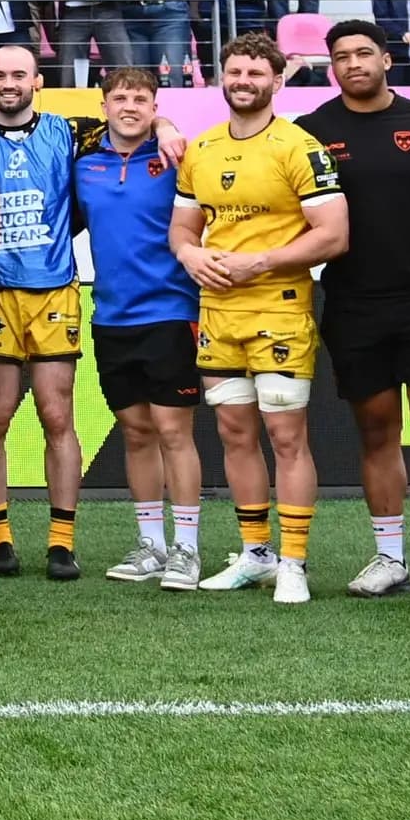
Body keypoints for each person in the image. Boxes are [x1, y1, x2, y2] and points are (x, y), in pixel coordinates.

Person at [302, 20, 410, 602]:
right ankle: (390, 557)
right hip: (352, 303)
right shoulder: (310, 132)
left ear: (385, 59)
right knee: (376, 432)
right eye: (341, 57)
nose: (353, 64)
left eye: (363, 54)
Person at [171, 33, 347, 605]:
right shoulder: (202, 148)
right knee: (233, 433)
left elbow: (334, 235)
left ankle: (294, 561)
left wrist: (261, 263)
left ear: (277, 80)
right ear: (221, 77)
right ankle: (255, 554)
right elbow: (182, 228)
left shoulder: (299, 146)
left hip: (279, 309)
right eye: (234, 71)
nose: (243, 80)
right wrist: (192, 255)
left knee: (286, 436)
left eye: (255, 73)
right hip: (218, 312)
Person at [71, 66, 207, 589]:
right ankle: (150, 543)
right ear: (103, 105)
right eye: (119, 97)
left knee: (174, 431)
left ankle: (186, 549)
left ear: (155, 105)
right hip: (110, 316)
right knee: (136, 432)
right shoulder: (84, 161)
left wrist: (169, 127)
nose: (129, 105)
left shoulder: (177, 157)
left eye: (141, 98)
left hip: (172, 312)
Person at [0, 44, 93, 582]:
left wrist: (162, 123)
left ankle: (61, 543)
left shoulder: (68, 131)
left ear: (38, 80)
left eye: (19, 73)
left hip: (54, 288)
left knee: (57, 414)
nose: (9, 82)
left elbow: (134, 114)